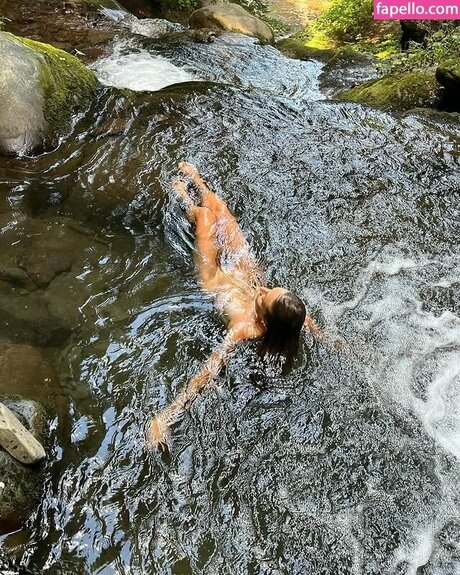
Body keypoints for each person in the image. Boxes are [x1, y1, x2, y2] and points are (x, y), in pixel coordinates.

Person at [148, 162, 322, 450]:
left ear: (265, 321)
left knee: (205, 216)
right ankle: (197, 180)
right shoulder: (294, 316)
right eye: (271, 289)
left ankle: (183, 197)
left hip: (215, 276)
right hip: (244, 269)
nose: (264, 290)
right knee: (221, 210)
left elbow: (209, 370)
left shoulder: (245, 327)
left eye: (264, 297)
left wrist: (167, 416)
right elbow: (315, 328)